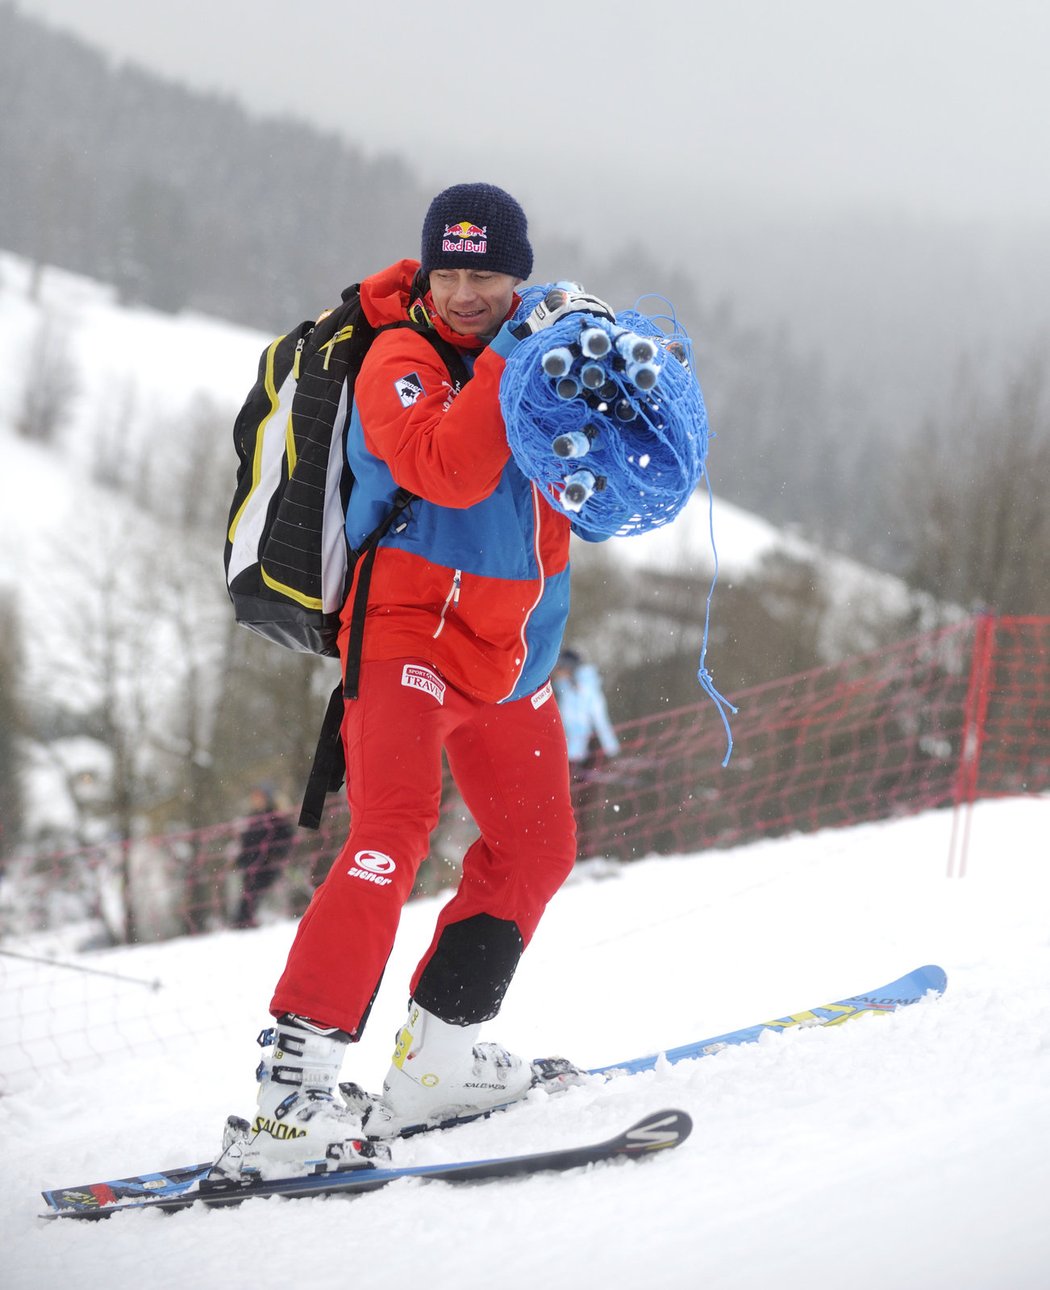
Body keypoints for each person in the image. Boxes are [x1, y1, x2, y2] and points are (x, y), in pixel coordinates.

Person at [228, 183, 616, 1179]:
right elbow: (446, 468)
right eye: (449, 272)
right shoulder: (399, 357)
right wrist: (514, 355)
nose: (464, 292)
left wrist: (607, 379)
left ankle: (439, 1058)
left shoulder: (540, 351)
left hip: (511, 650)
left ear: (517, 273)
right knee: (391, 832)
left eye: (485, 275)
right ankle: (289, 1097)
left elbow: (605, 490)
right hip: (405, 635)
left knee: (536, 847)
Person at [553, 650, 621, 860]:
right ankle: (574, 851)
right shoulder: (561, 688)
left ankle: (585, 852)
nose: (558, 672)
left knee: (583, 803)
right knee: (569, 802)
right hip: (569, 752)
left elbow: (598, 718)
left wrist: (609, 749)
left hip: (589, 751)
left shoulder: (585, 687)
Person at [231, 784, 295, 929]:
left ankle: (243, 922)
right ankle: (242, 923)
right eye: (254, 797)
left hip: (267, 865)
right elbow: (247, 842)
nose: (256, 800)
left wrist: (276, 854)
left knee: (253, 894)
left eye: (259, 797)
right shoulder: (253, 818)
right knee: (248, 894)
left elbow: (287, 837)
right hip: (251, 864)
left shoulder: (276, 817)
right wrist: (239, 860)